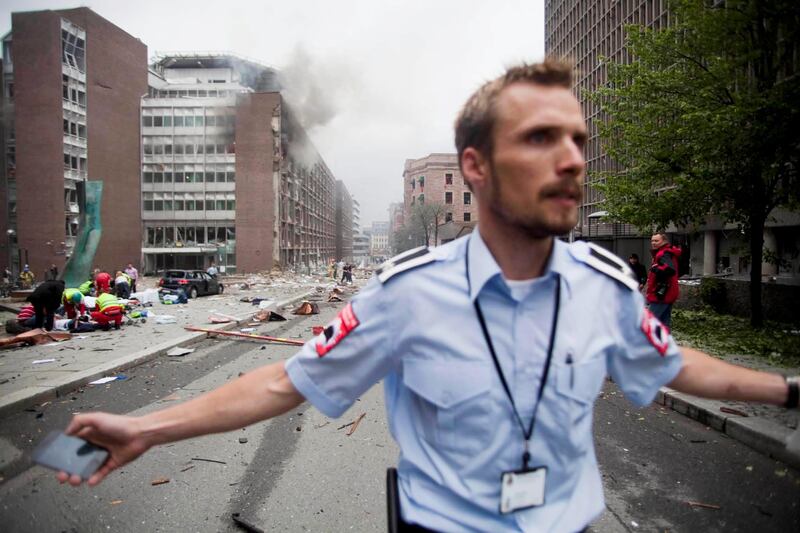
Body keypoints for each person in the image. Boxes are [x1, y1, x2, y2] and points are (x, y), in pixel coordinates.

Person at [56, 60, 799, 532]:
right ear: (474, 166)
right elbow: (285, 380)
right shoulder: (408, 294)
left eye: (575, 139)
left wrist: (788, 390)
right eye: (541, 139)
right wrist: (150, 427)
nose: (572, 159)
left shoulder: (602, 287)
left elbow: (675, 365)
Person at [646, 233, 682, 327]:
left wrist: (655, 269)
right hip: (667, 293)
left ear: (664, 241)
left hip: (661, 294)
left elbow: (670, 270)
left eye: (656, 241)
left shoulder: (663, 254)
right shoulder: (667, 252)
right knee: (664, 325)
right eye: (652, 241)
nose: (653, 243)